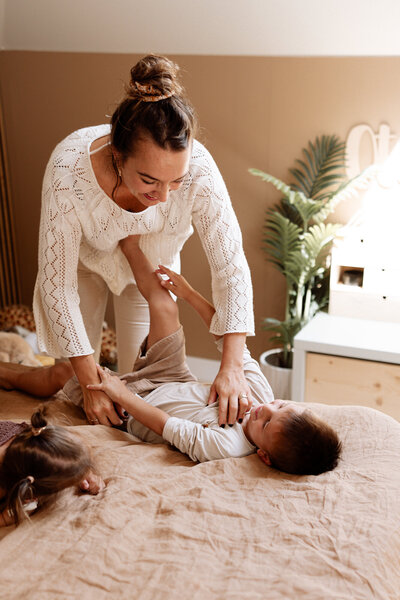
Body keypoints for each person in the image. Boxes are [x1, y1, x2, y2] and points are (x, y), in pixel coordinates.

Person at [33, 54, 254, 430]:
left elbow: (230, 265)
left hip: (148, 267)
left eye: (177, 181)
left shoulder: (199, 169)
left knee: (145, 386)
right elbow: (57, 286)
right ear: (118, 156)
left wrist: (232, 365)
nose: (165, 197)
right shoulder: (68, 170)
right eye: (150, 180)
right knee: (69, 381)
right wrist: (88, 380)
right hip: (84, 264)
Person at [5, 238, 341, 475]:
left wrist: (121, 393)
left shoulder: (227, 445)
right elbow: (228, 342)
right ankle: (130, 242)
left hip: (133, 409)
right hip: (172, 377)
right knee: (166, 303)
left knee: (63, 373)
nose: (265, 409)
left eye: (267, 423)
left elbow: (167, 426)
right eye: (281, 406)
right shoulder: (261, 396)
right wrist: (190, 294)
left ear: (264, 456)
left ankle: (9, 374)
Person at [0, 406, 105, 527]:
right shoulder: (4, 486)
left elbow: (53, 453)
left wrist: (83, 471)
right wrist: (13, 514)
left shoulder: (32, 437)